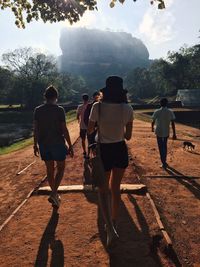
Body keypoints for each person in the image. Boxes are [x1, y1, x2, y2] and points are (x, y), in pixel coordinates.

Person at [87, 76, 133, 247]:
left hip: (103, 151)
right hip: (120, 149)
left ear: (105, 91)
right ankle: (114, 222)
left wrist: (101, 125)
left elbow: (90, 129)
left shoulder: (97, 107)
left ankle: (109, 229)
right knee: (115, 188)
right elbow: (128, 136)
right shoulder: (127, 108)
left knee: (103, 190)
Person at [33, 85, 74, 208]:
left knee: (49, 171)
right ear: (56, 97)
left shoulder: (38, 110)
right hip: (57, 143)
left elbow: (36, 129)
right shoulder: (59, 110)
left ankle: (54, 195)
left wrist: (35, 144)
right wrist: (70, 145)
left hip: (44, 144)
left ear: (45, 97)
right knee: (61, 168)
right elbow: (64, 129)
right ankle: (54, 193)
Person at [151, 98, 177, 169]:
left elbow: (153, 121)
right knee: (164, 146)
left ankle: (163, 162)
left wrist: (152, 128)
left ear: (160, 103)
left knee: (160, 146)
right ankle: (164, 161)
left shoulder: (157, 111)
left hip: (158, 131)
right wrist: (174, 133)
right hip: (166, 131)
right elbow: (173, 123)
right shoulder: (170, 111)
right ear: (167, 103)